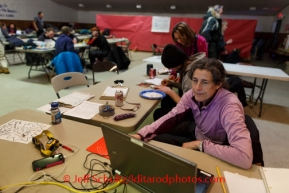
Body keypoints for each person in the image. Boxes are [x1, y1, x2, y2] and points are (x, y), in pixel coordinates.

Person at [131, 58, 253, 169]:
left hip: (213, 148)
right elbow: (172, 116)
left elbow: (244, 158)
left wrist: (200, 145)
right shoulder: (192, 94)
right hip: (198, 132)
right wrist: (141, 134)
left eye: (205, 82)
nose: (197, 88)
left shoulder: (229, 107)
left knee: (161, 147)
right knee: (155, 139)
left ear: (218, 84)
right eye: (195, 80)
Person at [153, 44, 205, 121]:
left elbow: (188, 107)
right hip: (195, 105)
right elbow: (187, 88)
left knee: (158, 113)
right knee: (166, 98)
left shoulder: (190, 76)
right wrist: (172, 83)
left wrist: (169, 91)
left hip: (194, 115)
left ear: (177, 63)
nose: (171, 70)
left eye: (170, 67)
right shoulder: (191, 62)